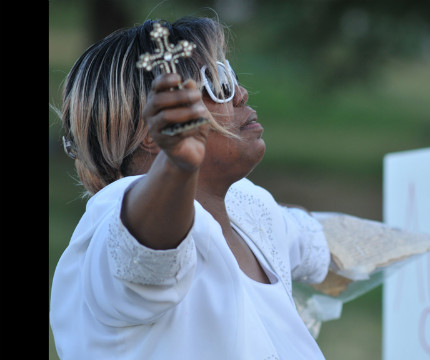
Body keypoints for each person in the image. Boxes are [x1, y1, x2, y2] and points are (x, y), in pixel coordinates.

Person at [50, 16, 331, 359]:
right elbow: (143, 259)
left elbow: (323, 239)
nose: (241, 94)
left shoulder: (247, 207)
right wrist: (176, 168)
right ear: (155, 131)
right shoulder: (115, 219)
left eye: (231, 77)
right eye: (216, 84)